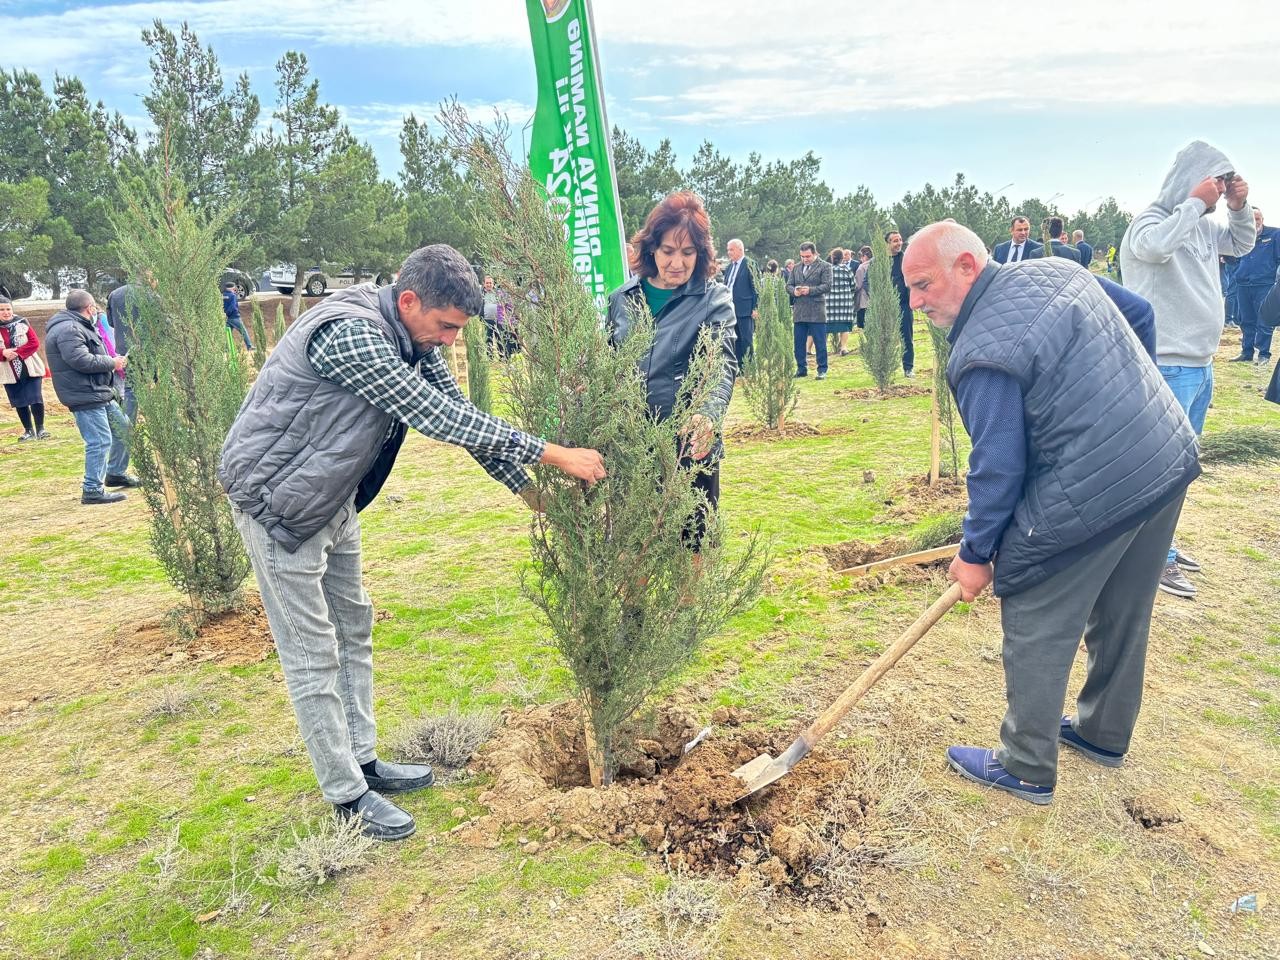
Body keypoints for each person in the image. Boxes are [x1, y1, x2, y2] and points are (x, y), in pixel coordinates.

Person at [218, 244, 605, 841]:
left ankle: (365, 762)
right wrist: (552, 453)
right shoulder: (351, 334)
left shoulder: (413, 339)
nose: (451, 340)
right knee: (313, 652)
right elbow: (430, 414)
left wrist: (533, 495)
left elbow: (459, 414)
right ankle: (346, 795)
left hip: (332, 498)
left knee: (355, 627)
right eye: (446, 326)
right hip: (280, 505)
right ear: (408, 301)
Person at [903, 221, 1199, 805]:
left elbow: (998, 469)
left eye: (922, 285)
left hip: (1099, 483)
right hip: (1164, 455)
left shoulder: (982, 352)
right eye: (908, 290)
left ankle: (1025, 763)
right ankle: (1102, 732)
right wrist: (1125, 401)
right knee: (1123, 605)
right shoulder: (1057, 271)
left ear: (966, 265)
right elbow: (1138, 315)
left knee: (1033, 601)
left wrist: (976, 555)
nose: (914, 303)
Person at [1120, 140, 1255, 598]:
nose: (1219, 189)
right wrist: (1196, 202)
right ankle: (1153, 557)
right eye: (1215, 179)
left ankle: (1163, 546)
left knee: (1178, 470)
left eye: (1224, 182)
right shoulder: (1150, 222)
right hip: (1167, 365)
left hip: (1199, 366)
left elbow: (1241, 242)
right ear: (1191, 179)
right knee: (1159, 471)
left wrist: (1237, 207)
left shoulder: (1202, 227)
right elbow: (1155, 249)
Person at [609, 191, 737, 554]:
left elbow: (721, 365)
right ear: (651, 249)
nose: (677, 262)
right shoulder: (621, 299)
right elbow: (607, 366)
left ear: (701, 254)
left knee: (693, 549)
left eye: (687, 252)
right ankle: (633, 614)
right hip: (631, 447)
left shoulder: (714, 300)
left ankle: (691, 611)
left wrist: (707, 415)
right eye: (668, 251)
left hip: (688, 446)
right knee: (633, 550)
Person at [44, 290, 136, 503]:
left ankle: (115, 473)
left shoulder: (79, 326)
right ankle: (92, 489)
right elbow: (81, 360)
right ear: (89, 308)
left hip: (99, 392)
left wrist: (112, 360)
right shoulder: (69, 329)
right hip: (84, 394)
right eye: (94, 307)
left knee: (124, 429)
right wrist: (112, 363)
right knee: (99, 441)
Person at [1229, 208, 1279, 365]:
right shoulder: (1241, 237)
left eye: (1257, 219)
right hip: (1243, 284)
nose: (1254, 222)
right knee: (1246, 320)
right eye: (1251, 219)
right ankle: (1247, 352)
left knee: (1264, 319)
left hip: (1265, 284)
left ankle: (1264, 354)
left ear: (1262, 219)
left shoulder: (1275, 235)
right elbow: (1232, 258)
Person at [0, 296, 49, 441]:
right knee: (19, 400)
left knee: (35, 398)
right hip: (8, 371)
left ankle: (41, 429)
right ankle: (28, 431)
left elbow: (34, 343)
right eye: (2, 310)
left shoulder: (22, 323)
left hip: (29, 367)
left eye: (8, 309)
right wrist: (3, 353)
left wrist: (16, 353)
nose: (6, 312)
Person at [787, 241, 832, 379]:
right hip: (799, 310)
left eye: (807, 256)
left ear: (814, 253)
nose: (805, 259)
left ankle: (822, 369)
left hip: (816, 310)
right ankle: (801, 368)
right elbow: (788, 285)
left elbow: (827, 286)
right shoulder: (796, 268)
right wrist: (794, 291)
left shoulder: (825, 266)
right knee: (798, 342)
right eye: (802, 256)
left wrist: (810, 290)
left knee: (820, 342)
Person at [721, 239, 758, 368]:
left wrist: (756, 307)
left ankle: (749, 366)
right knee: (734, 339)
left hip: (745, 308)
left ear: (740, 249)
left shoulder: (750, 264)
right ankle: (739, 366)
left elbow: (756, 288)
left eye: (731, 249)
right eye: (728, 250)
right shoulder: (729, 267)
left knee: (746, 339)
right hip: (730, 309)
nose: (728, 252)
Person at [886, 231, 916, 377]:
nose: (899, 243)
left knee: (907, 338)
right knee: (884, 337)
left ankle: (908, 368)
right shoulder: (879, 261)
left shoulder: (907, 259)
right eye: (895, 241)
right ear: (888, 243)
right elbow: (868, 282)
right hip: (885, 305)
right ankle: (885, 369)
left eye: (900, 240)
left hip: (904, 304)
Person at [826, 247, 856, 355]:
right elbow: (853, 285)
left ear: (832, 257)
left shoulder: (826, 269)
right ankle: (843, 348)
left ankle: (822, 348)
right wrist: (850, 295)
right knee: (845, 326)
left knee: (825, 326)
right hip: (844, 302)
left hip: (828, 302)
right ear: (842, 258)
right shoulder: (847, 269)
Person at [222, 282, 253, 350]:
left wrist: (225, 314)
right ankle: (249, 346)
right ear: (232, 288)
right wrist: (228, 313)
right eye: (234, 287)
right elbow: (232, 307)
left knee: (227, 334)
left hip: (226, 318)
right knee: (243, 331)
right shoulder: (233, 295)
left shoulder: (223, 295)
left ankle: (226, 348)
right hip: (234, 317)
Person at [852, 245, 872, 328]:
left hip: (864, 301)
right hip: (875, 300)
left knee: (864, 326)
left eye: (861, 257)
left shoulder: (862, 267)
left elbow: (857, 285)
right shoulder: (876, 264)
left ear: (864, 256)